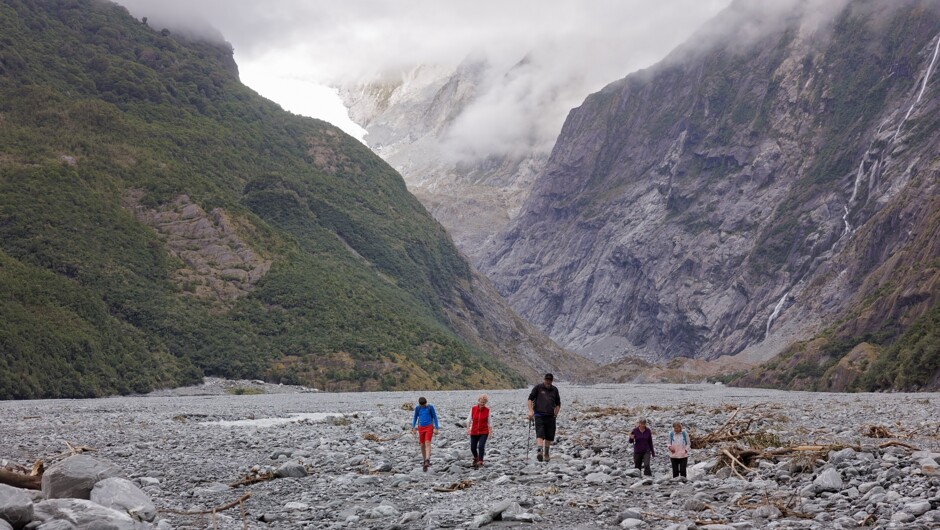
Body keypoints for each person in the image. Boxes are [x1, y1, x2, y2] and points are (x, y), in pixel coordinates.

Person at [527, 373, 561, 462]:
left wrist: (556, 413)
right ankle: (539, 451)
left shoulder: (555, 390)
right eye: (547, 379)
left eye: (550, 380)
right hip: (539, 415)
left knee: (549, 436)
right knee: (540, 433)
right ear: (544, 379)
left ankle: (546, 453)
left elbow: (558, 403)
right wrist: (531, 411)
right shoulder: (538, 388)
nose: (548, 381)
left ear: (552, 381)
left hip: (550, 416)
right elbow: (530, 399)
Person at [411, 396, 439, 472]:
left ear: (426, 403)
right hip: (421, 427)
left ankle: (427, 459)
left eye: (424, 404)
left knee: (427, 443)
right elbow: (415, 417)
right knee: (422, 444)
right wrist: (413, 427)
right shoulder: (418, 408)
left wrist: (436, 428)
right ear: (420, 404)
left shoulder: (430, 407)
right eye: (422, 405)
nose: (424, 406)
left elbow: (435, 417)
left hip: (429, 427)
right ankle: (424, 460)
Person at [466, 394, 492, 468]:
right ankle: (476, 457)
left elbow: (490, 422)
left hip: (484, 431)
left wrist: (490, 432)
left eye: (484, 402)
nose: (482, 404)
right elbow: (468, 420)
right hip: (474, 431)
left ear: (485, 402)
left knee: (481, 446)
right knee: (473, 448)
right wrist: (468, 428)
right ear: (478, 401)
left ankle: (480, 460)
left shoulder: (487, 410)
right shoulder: (473, 408)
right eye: (481, 402)